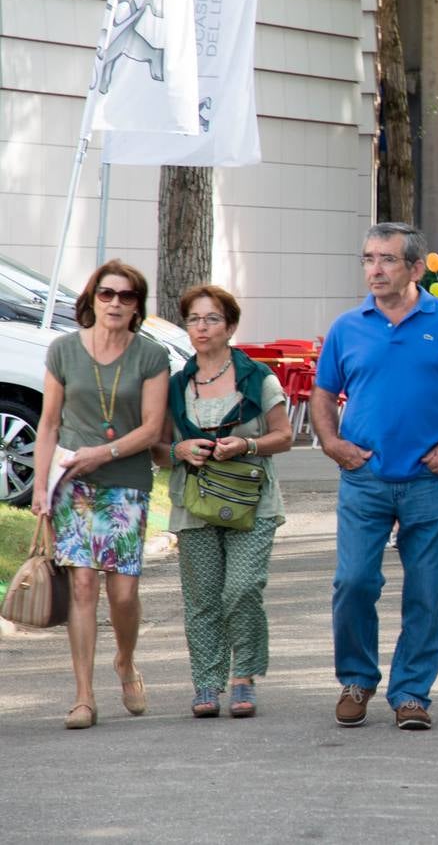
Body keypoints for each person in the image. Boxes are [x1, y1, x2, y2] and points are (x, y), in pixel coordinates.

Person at [311, 222, 438, 731]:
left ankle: (412, 692)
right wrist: (332, 443)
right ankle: (356, 678)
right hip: (365, 477)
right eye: (369, 258)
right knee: (353, 582)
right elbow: (323, 394)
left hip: (429, 478)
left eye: (387, 260)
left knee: (426, 589)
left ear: (415, 268)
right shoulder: (348, 327)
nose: (375, 269)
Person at [31, 260, 170, 729]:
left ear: (137, 307)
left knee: (124, 592)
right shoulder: (64, 350)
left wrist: (103, 453)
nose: (115, 303)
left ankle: (126, 662)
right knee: (84, 584)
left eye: (126, 297)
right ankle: (84, 697)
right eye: (106, 294)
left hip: (126, 480)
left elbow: (152, 429)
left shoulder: (150, 356)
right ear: (91, 299)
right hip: (73, 480)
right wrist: (40, 486)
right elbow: (49, 423)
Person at [156, 285, 293, 719]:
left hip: (252, 501)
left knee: (242, 587)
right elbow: (158, 448)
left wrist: (246, 445)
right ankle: (207, 684)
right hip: (194, 502)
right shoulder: (176, 386)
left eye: (212, 319)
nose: (202, 327)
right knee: (202, 598)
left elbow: (285, 435)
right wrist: (179, 451)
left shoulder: (257, 377)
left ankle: (243, 677)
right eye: (194, 319)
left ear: (230, 326)